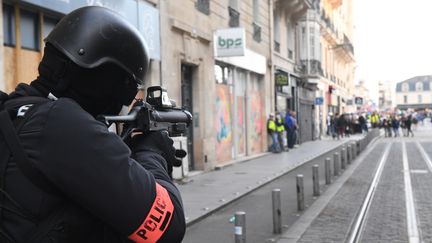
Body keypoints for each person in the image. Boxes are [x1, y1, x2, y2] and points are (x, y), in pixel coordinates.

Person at [0, 6, 185, 242]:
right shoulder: (61, 124)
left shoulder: (15, 110)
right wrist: (152, 152)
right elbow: (168, 228)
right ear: (112, 83)